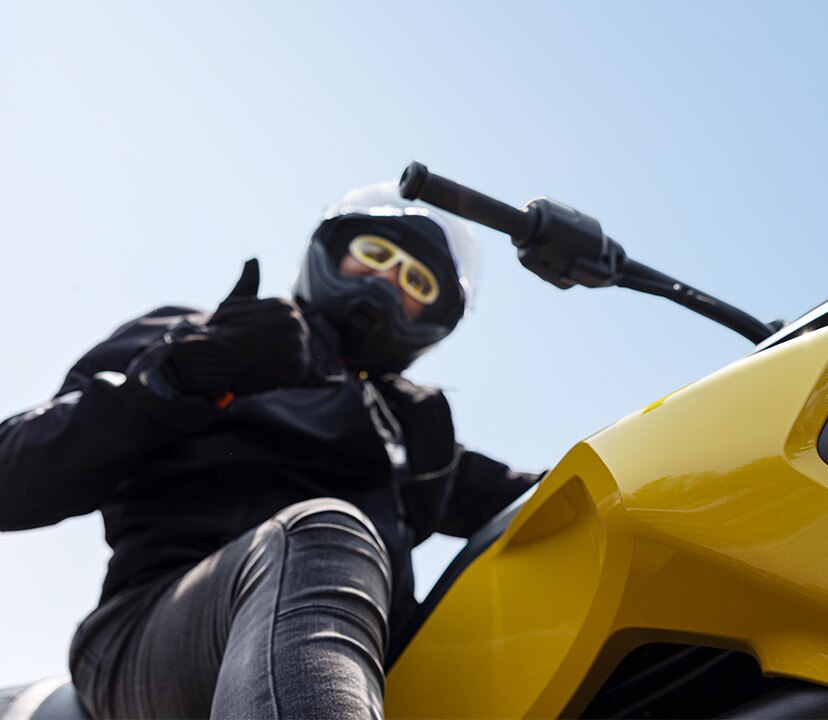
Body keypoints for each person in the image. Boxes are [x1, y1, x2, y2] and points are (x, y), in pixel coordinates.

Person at [0, 182, 539, 719]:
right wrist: (186, 375)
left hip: (365, 666)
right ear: (330, 253)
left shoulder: (416, 435)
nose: (386, 281)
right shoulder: (206, 338)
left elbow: (546, 498)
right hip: (147, 636)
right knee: (323, 533)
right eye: (375, 254)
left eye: (415, 281)